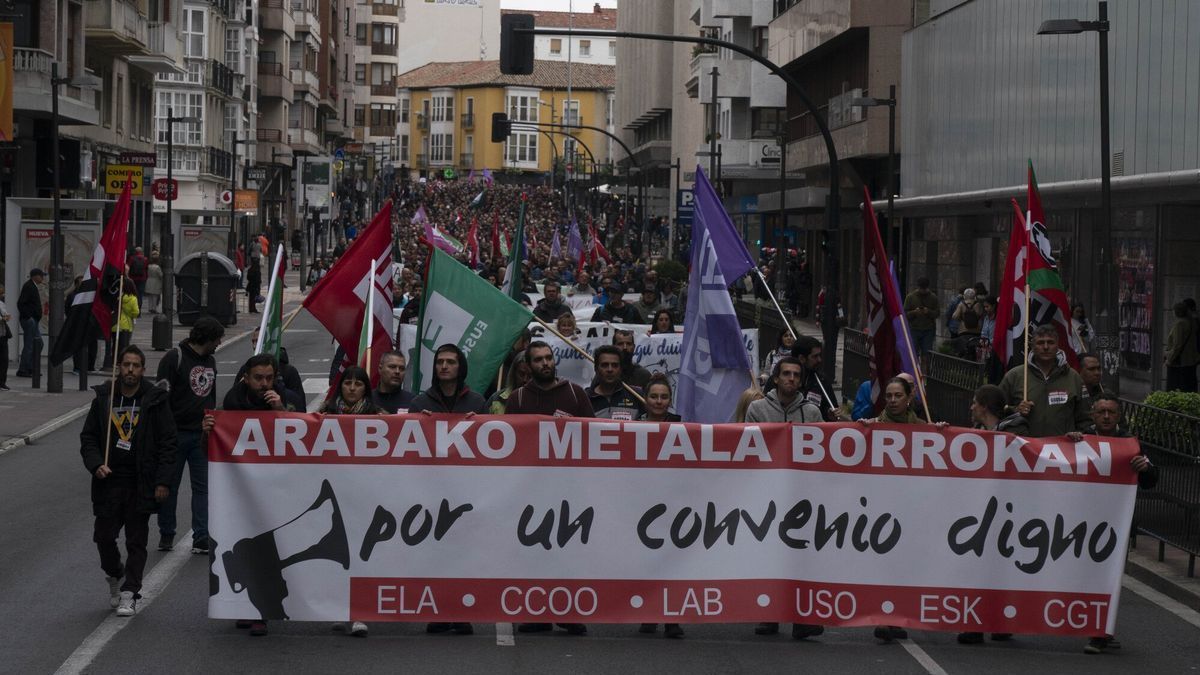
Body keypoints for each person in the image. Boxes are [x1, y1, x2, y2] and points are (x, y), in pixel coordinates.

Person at [79, 345, 177, 617]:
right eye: (126, 365)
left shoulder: (155, 400)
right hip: (109, 481)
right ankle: (115, 574)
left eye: (136, 365)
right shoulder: (104, 399)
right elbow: (88, 437)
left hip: (140, 481)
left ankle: (129, 592)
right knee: (103, 536)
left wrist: (163, 481)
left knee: (136, 540)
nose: (130, 370)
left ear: (143, 370)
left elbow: (168, 443)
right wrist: (96, 464)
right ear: (119, 367)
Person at [506, 342, 591, 636]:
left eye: (548, 358)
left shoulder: (574, 394)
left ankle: (567, 612)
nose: (545, 363)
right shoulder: (517, 400)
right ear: (528, 366)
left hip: (569, 488)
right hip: (530, 491)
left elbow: (593, 436)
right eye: (538, 359)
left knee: (567, 553)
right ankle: (537, 613)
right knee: (533, 552)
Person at [155, 316, 225, 555]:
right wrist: (164, 431)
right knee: (168, 486)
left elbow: (211, 396)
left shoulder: (211, 361)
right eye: (217, 339)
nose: (219, 344)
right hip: (174, 434)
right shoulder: (174, 358)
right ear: (207, 338)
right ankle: (166, 533)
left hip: (201, 435)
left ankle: (201, 536)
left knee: (203, 488)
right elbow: (160, 396)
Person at [635, 374, 685, 640]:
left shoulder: (683, 426)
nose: (659, 401)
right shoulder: (633, 426)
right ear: (646, 398)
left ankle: (673, 617)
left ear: (670, 399)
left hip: (674, 503)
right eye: (654, 396)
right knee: (647, 562)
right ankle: (649, 613)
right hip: (642, 504)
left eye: (664, 396)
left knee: (673, 562)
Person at [998, 324, 1092, 437]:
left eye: (1050, 342)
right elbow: (995, 411)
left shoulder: (1073, 377)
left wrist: (1079, 435)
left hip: (1063, 451)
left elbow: (1086, 419)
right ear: (1032, 346)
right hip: (1025, 451)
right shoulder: (1014, 376)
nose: (1046, 347)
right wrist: (1015, 410)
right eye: (1040, 343)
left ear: (1057, 345)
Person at [409, 344, 488, 419]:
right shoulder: (419, 404)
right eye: (439, 362)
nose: (444, 366)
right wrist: (419, 420)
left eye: (450, 362)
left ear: (460, 367)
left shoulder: (478, 403)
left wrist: (477, 422)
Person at [745, 358, 822, 424]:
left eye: (796, 375)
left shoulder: (813, 412)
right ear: (776, 379)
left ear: (800, 382)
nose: (792, 378)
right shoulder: (756, 409)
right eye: (786, 373)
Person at [587, 344, 645, 420]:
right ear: (596, 368)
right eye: (605, 365)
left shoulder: (637, 395)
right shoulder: (585, 398)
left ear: (621, 369)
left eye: (615, 365)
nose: (610, 369)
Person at [794, 336, 841, 420]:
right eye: (815, 356)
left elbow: (831, 409)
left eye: (820, 355)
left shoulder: (822, 381)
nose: (819, 360)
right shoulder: (780, 379)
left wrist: (829, 414)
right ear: (801, 358)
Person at [102, 280, 140, 370]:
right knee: (124, 346)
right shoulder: (132, 298)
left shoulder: (118, 297)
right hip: (126, 325)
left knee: (115, 345)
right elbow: (136, 313)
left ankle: (114, 362)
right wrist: (129, 313)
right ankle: (122, 362)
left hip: (115, 324)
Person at [1165, 301, 1199, 392]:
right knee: (1189, 389)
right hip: (1190, 362)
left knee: (1176, 389)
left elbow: (1177, 345)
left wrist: (1169, 359)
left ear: (1176, 312)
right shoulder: (1191, 322)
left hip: (1180, 363)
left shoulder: (1180, 324)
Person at [16, 267, 44, 377]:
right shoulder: (29, 286)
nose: (42, 278)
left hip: (32, 320)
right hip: (29, 321)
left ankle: (31, 367)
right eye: (41, 275)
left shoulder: (33, 286)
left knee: (38, 344)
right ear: (35, 276)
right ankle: (23, 369)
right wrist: (29, 317)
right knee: (30, 345)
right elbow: (21, 303)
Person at [487, 350, 531, 414]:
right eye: (521, 374)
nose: (525, 380)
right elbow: (483, 422)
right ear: (514, 373)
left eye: (530, 376)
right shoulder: (496, 399)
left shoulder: (543, 401)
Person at [903, 277, 939, 356]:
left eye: (925, 288)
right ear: (918, 287)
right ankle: (914, 368)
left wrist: (928, 312)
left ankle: (925, 368)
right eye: (921, 288)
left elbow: (937, 313)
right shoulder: (910, 297)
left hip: (928, 330)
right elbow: (904, 314)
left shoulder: (933, 297)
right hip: (914, 329)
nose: (923, 291)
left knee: (926, 354)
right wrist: (914, 312)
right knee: (913, 354)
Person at [0, 284, 10, 390]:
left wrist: (6, 317)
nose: (3, 294)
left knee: (4, 360)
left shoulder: (1, 304)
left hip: (2, 335)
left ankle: (2, 382)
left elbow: (6, 315)